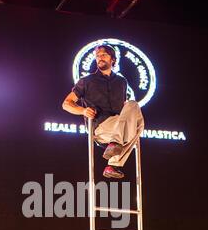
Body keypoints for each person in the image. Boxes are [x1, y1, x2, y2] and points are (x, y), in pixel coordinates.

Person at [62, 44, 145, 178]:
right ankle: (114, 147)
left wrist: (129, 113)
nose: (100, 58)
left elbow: (125, 107)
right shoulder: (86, 81)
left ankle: (112, 165)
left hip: (118, 125)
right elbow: (66, 103)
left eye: (103, 55)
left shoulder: (121, 82)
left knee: (137, 120)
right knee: (133, 116)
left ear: (112, 59)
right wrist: (83, 111)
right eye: (98, 56)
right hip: (101, 127)